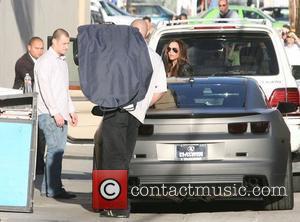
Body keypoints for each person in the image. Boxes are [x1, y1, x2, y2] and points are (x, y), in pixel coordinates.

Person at [98, 19, 167, 218]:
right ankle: (115, 203)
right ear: (146, 34)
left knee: (112, 158)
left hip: (117, 109)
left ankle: (115, 206)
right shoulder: (154, 57)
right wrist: (143, 104)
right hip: (136, 114)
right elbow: (161, 90)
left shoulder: (121, 54)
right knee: (124, 158)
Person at [34, 28, 78, 199]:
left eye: (68, 43)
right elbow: (45, 90)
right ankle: (54, 189)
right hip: (49, 114)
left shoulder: (62, 61)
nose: (67, 47)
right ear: (54, 41)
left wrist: (71, 110)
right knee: (55, 150)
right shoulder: (46, 61)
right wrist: (55, 113)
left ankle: (50, 188)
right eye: (64, 43)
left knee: (58, 151)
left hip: (61, 113)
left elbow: (63, 90)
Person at [13, 36, 46, 175]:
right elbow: (33, 77)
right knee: (29, 135)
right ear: (29, 48)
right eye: (37, 48)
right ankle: (33, 164)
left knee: (41, 135)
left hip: (38, 104)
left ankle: (39, 164)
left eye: (42, 48)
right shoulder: (23, 62)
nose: (40, 51)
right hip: (24, 104)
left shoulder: (41, 62)